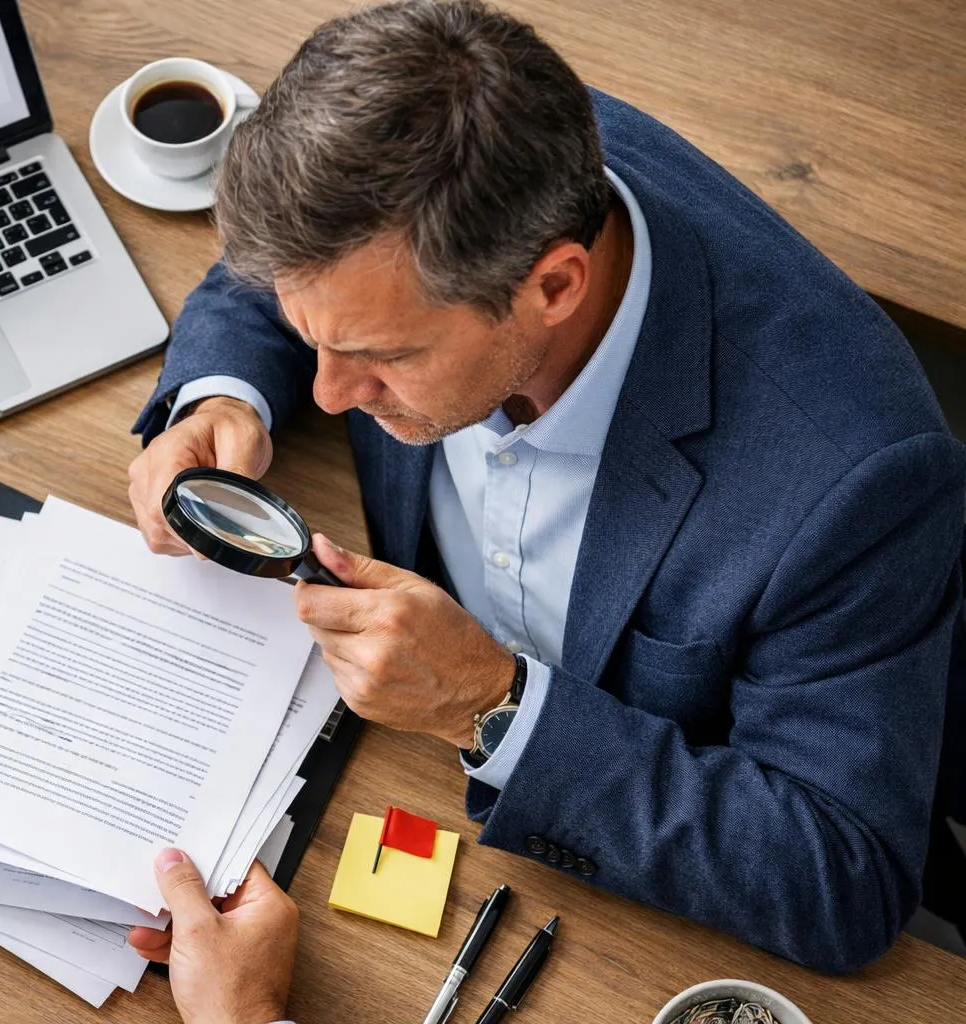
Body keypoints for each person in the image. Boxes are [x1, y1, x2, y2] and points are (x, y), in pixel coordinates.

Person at [123, 0, 966, 1013]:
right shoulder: (413, 188)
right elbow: (297, 273)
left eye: (384, 359)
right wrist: (226, 390)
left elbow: (842, 874)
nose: (333, 393)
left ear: (555, 286)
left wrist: (493, 702)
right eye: (315, 346)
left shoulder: (856, 480)